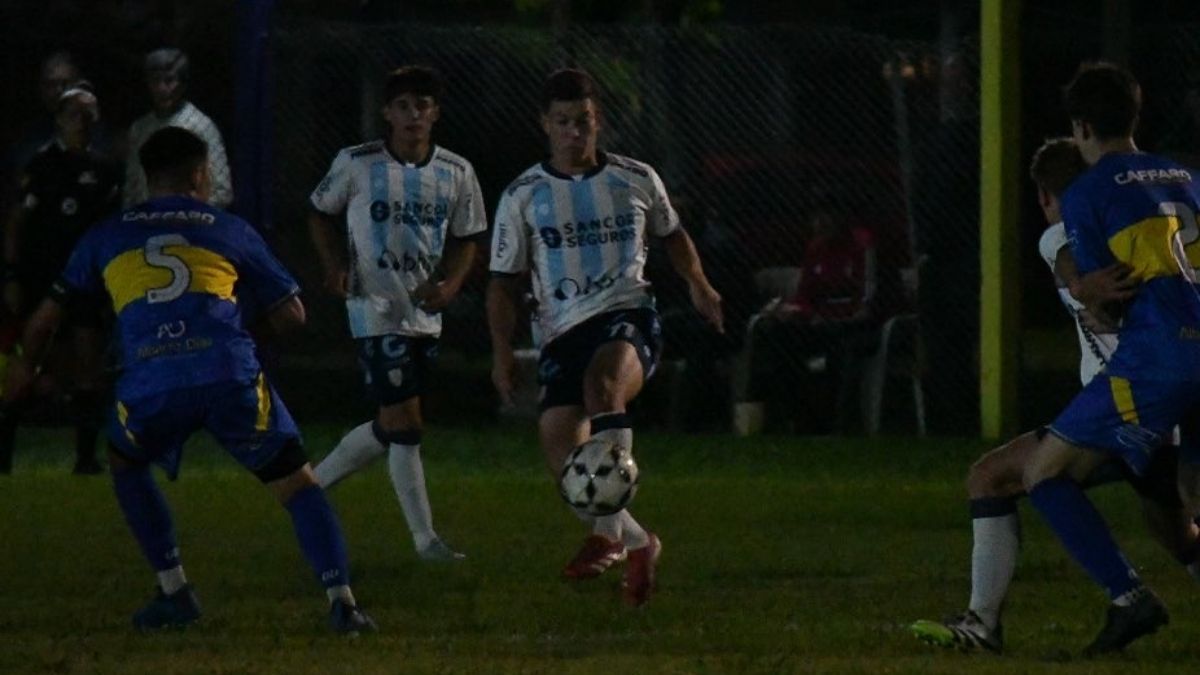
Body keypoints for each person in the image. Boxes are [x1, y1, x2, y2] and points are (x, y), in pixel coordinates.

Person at [2, 127, 375, 634]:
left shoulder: (107, 234)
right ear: (201, 175)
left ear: (146, 177)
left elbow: (46, 320)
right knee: (297, 483)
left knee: (124, 460)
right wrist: (237, 331)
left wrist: (25, 363)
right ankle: (343, 602)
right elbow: (293, 316)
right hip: (227, 374)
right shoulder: (228, 228)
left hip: (152, 381)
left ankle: (175, 591)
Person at [910, 137, 1200, 653]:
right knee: (1178, 535)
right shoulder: (1132, 225)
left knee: (998, 476)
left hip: (1126, 400)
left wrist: (1084, 287)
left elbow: (1064, 254)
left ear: (1046, 196)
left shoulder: (1064, 231)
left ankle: (1000, 621)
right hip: (1158, 401)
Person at [487, 68, 724, 606]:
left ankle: (606, 538)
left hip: (628, 314)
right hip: (560, 331)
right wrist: (502, 352)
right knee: (564, 459)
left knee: (604, 384)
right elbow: (502, 284)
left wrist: (700, 285)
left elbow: (674, 235)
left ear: (600, 122)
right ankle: (639, 541)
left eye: (585, 121)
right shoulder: (524, 195)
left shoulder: (635, 178)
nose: (576, 133)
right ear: (545, 125)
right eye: (564, 122)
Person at [1018, 62, 1200, 656]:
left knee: (1044, 474)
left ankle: (1130, 599)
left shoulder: (1089, 191)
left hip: (1159, 360)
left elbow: (1109, 301)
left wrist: (1090, 297)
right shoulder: (1184, 175)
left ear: (1082, 126)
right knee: (1186, 502)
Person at [308, 66, 485, 562]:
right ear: (388, 113)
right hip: (374, 308)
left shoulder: (455, 171)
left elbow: (467, 237)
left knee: (391, 425)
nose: (414, 115)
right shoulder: (357, 163)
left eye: (423, 105)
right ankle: (425, 541)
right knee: (407, 422)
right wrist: (334, 267)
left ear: (435, 113)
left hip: (424, 313)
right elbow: (320, 212)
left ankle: (309, 489)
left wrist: (451, 284)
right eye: (404, 106)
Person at [0, 81, 120, 475]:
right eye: (73, 115)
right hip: (40, 278)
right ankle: (4, 453)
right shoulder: (39, 163)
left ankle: (85, 457)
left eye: (88, 115)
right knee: (29, 353)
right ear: (58, 120)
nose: (81, 123)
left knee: (88, 360)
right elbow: (17, 221)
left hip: (84, 280)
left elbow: (109, 228)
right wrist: (13, 275)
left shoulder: (103, 169)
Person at [745, 195, 878, 432]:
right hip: (819, 324)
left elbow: (867, 301)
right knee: (778, 335)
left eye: (826, 216)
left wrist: (832, 316)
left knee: (843, 346)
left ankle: (838, 423)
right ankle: (795, 417)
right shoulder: (816, 248)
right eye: (816, 217)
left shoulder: (862, 246)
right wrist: (793, 311)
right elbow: (805, 296)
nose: (820, 223)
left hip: (853, 325)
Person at [124, 48, 232, 209]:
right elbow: (132, 188)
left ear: (182, 84)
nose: (162, 88)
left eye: (169, 81)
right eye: (155, 80)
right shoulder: (140, 129)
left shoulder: (200, 125)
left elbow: (222, 191)